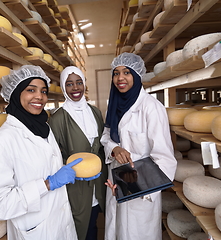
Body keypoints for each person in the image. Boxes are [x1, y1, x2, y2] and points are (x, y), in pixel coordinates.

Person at [0, 65, 81, 240]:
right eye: (31, 90)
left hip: (61, 223)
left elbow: (44, 165)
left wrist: (67, 172)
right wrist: (48, 184)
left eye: (44, 91)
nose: (40, 97)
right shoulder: (2, 142)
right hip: (35, 231)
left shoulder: (44, 128)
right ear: (16, 93)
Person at [101, 52, 177, 240]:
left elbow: (165, 158)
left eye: (126, 72)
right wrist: (114, 148)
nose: (120, 78)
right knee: (117, 231)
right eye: (116, 73)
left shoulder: (151, 108)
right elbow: (106, 135)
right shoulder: (115, 105)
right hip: (117, 183)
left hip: (142, 191)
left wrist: (132, 185)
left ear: (136, 75)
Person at [48, 66, 108, 240]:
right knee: (80, 226)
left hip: (98, 181)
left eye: (79, 82)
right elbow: (52, 155)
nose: (75, 88)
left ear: (84, 84)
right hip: (76, 185)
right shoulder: (58, 118)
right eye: (69, 84)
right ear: (63, 87)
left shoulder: (95, 112)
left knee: (94, 221)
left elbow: (103, 145)